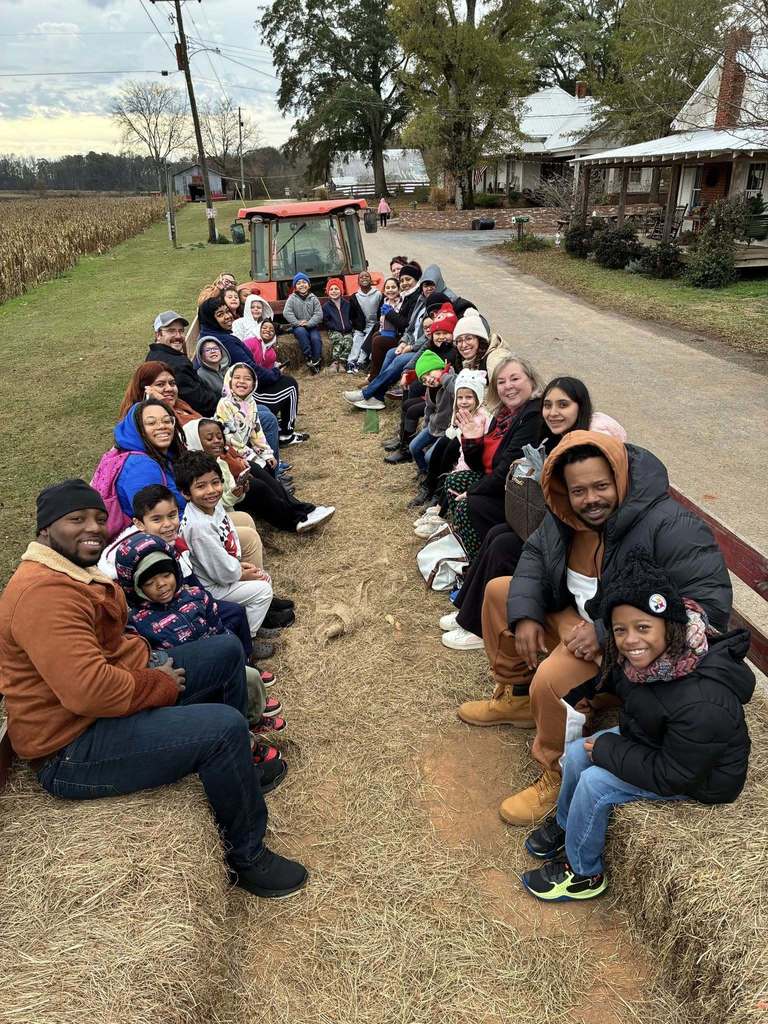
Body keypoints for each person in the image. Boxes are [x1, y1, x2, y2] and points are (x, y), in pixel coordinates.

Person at [0, 479, 307, 898]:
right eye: (76, 519)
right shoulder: (43, 596)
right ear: (44, 531)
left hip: (101, 710)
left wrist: (146, 663)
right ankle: (248, 858)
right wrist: (157, 683)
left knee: (224, 650)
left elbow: (108, 654)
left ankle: (241, 768)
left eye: (97, 517)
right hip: (72, 747)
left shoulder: (71, 572)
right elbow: (88, 691)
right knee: (222, 728)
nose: (93, 527)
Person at [459, 430, 734, 826]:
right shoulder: (565, 516)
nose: (591, 499)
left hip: (632, 650)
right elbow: (534, 556)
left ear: (620, 477)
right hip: (580, 624)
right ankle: (516, 697)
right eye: (579, 490)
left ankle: (556, 773)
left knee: (554, 677)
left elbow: (708, 608)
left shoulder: (670, 526)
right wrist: (527, 614)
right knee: (501, 593)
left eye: (601, 486)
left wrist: (607, 631)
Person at [521, 551, 754, 902]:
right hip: (656, 740)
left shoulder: (704, 702)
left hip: (700, 776)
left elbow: (673, 775)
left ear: (670, 627)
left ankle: (584, 873)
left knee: (595, 782)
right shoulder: (651, 661)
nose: (631, 640)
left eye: (643, 627)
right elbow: (627, 687)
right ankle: (568, 826)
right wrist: (588, 690)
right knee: (574, 754)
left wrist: (608, 750)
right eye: (620, 630)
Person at [439, 377, 626, 651]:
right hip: (552, 528)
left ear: (580, 407)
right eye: (548, 405)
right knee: (497, 533)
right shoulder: (553, 439)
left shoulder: (586, 446)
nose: (553, 412)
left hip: (575, 543)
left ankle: (479, 628)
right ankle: (468, 611)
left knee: (504, 543)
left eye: (563, 404)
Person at [113, 532, 284, 735]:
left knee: (251, 677)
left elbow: (218, 628)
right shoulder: (137, 623)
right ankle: (239, 731)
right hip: (188, 677)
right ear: (135, 587)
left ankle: (252, 718)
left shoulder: (195, 596)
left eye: (166, 575)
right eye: (149, 583)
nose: (161, 585)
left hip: (218, 659)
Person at [441, 355, 542, 560]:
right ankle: (469, 541)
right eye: (501, 382)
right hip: (495, 482)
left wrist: (472, 492)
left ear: (531, 380)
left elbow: (506, 472)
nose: (508, 387)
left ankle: (480, 560)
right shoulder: (504, 413)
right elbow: (478, 465)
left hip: (515, 494)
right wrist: (472, 440)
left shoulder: (532, 416)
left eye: (515, 379)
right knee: (454, 480)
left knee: (466, 506)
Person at [176, 452, 274, 638]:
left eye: (215, 482)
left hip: (222, 574)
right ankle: (246, 637)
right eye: (201, 486)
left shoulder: (211, 505)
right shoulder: (199, 528)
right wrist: (239, 573)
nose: (211, 490)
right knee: (263, 589)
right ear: (185, 493)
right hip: (212, 587)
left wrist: (238, 566)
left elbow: (227, 542)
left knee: (262, 579)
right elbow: (221, 573)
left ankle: (251, 622)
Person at [185, 418, 335, 534]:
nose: (217, 441)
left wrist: (239, 485)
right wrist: (236, 493)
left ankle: (303, 509)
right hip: (221, 509)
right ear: (195, 441)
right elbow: (219, 501)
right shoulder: (197, 471)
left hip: (230, 498)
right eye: (209, 439)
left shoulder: (220, 461)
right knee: (258, 487)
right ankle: (294, 521)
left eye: (219, 436)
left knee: (253, 468)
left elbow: (228, 487)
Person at [196, 296, 281, 457]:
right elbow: (249, 368)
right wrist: (273, 374)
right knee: (269, 414)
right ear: (210, 319)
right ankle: (272, 464)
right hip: (226, 413)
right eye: (220, 314)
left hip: (238, 400)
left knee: (263, 411)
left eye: (227, 311)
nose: (227, 316)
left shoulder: (220, 337)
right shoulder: (220, 341)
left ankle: (269, 455)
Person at [343, 265, 423, 408]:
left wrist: (408, 344)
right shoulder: (410, 297)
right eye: (402, 279)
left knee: (383, 345)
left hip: (414, 345)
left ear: (417, 280)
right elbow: (410, 329)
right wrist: (405, 342)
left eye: (408, 279)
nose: (405, 282)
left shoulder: (415, 299)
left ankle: (368, 392)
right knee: (385, 347)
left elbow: (405, 324)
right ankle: (376, 395)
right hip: (407, 340)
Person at [111, 399, 187, 517]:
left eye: (167, 421)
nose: (162, 426)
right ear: (136, 429)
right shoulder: (140, 467)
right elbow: (158, 521)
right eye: (151, 423)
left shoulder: (167, 455)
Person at [145, 310, 218, 417]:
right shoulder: (177, 364)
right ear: (158, 334)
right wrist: (222, 403)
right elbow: (198, 401)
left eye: (181, 331)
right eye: (171, 331)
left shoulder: (153, 353)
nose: (178, 336)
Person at [246, 320, 305, 445]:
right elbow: (258, 373)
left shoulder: (271, 353)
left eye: (271, 330)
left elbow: (267, 376)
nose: (268, 330)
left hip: (259, 387)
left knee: (288, 382)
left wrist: (275, 370)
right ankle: (287, 433)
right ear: (258, 329)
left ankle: (284, 426)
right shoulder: (250, 343)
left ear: (274, 335)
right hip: (252, 394)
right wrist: (276, 372)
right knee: (291, 387)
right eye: (264, 328)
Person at [407, 351, 456, 476]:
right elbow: (429, 409)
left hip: (448, 431)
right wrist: (425, 427)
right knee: (414, 447)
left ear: (441, 368)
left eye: (430, 373)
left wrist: (444, 377)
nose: (428, 379)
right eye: (424, 379)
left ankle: (434, 477)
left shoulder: (452, 379)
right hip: (434, 426)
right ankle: (425, 472)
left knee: (430, 456)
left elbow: (457, 389)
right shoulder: (430, 389)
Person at [120, 362, 200, 428]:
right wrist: (163, 402)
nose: (169, 388)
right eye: (160, 384)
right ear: (145, 389)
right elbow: (180, 430)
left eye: (172, 383)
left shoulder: (180, 404)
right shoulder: (145, 416)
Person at [283, 273, 324, 373]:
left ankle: (316, 360)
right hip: (298, 326)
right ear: (295, 287)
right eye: (299, 283)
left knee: (316, 338)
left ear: (309, 285)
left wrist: (309, 323)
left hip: (312, 326)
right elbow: (287, 312)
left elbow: (318, 314)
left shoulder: (313, 298)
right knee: (302, 333)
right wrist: (297, 323)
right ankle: (308, 356)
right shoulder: (292, 298)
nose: (302, 285)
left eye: (304, 282)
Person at [347, 269, 381, 373]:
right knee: (357, 340)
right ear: (358, 282)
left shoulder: (378, 294)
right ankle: (351, 361)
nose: (364, 278)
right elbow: (352, 315)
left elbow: (381, 310)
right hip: (360, 326)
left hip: (373, 326)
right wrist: (356, 325)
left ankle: (361, 361)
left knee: (367, 341)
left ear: (371, 280)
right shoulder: (354, 297)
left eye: (367, 276)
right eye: (361, 277)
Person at [323, 278, 354, 371]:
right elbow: (326, 320)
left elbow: (351, 317)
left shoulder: (347, 304)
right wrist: (334, 327)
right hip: (334, 330)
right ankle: (335, 362)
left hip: (347, 330)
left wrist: (350, 325)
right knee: (339, 340)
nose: (334, 291)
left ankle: (341, 362)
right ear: (328, 292)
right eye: (331, 289)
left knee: (349, 341)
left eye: (336, 289)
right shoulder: (326, 306)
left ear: (341, 291)